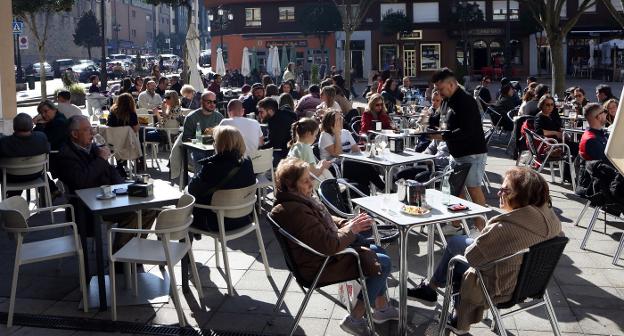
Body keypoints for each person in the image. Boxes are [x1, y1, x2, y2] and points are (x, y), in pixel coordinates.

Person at [408, 167, 562, 334]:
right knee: (458, 244)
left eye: (505, 190)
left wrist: (484, 239)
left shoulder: (505, 227)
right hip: (531, 283)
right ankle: (439, 298)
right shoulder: (552, 220)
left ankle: (450, 309)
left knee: (457, 258)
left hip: (501, 286)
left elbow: (473, 258)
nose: (499, 193)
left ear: (523, 195)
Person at [271, 158, 398, 336]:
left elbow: (324, 219)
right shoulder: (295, 210)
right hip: (320, 265)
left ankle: (382, 308)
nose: (312, 182)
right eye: (306, 180)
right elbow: (329, 245)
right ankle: (355, 318)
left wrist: (346, 222)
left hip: (317, 257)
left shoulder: (295, 201)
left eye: (310, 178)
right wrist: (351, 229)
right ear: (290, 185)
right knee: (382, 262)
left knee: (379, 252)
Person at [56, 115, 157, 253]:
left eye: (91, 129)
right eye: (87, 130)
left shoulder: (91, 147)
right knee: (133, 214)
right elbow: (81, 182)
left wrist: (123, 187)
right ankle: (120, 258)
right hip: (87, 207)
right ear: (74, 134)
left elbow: (110, 170)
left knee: (150, 209)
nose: (92, 133)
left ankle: (131, 252)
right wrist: (101, 160)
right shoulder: (66, 155)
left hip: (109, 197)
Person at [430, 68, 487, 230]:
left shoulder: (466, 101)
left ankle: (482, 230)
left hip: (472, 153)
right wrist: (428, 124)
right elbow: (439, 118)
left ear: (451, 84)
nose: (438, 93)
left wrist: (444, 136)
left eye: (440, 89)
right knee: (456, 191)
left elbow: (467, 130)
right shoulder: (447, 100)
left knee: (474, 190)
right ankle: (456, 225)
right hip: (456, 153)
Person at [188, 125, 256, 232]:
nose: (213, 143)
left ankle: (184, 247)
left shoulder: (212, 167)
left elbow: (192, 189)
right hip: (244, 218)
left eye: (214, 141)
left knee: (184, 207)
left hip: (217, 223)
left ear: (218, 144)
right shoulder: (247, 162)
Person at [320, 111, 384, 194]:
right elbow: (338, 154)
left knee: (364, 167)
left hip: (348, 163)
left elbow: (357, 151)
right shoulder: (325, 135)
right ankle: (383, 188)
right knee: (363, 167)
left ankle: (368, 194)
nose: (341, 121)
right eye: (338, 119)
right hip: (334, 167)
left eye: (341, 118)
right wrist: (337, 134)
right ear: (330, 123)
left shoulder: (346, 132)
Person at [0, 113, 51, 198]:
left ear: (14, 127)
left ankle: (11, 203)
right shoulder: (41, 138)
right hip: (36, 175)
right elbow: (48, 149)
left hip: (11, 177)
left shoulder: (4, 142)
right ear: (31, 126)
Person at [258, 97, 297, 166]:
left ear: (270, 111)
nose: (259, 115)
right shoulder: (281, 115)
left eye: (261, 112)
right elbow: (274, 137)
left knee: (255, 160)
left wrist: (258, 148)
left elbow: (275, 143)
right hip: (289, 151)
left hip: (285, 155)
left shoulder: (277, 121)